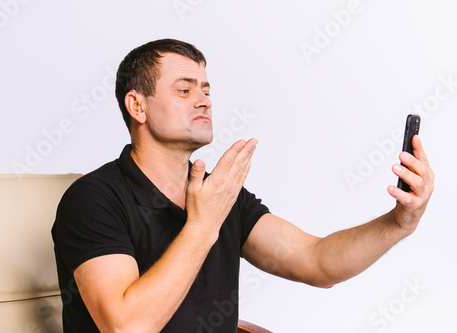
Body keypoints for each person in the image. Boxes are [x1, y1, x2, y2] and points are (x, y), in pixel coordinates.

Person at [51, 38, 434, 332]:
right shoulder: (92, 200)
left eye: (206, 90)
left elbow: (318, 261)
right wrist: (202, 226)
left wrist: (399, 222)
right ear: (137, 106)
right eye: (185, 90)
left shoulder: (218, 194)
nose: (203, 100)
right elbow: (126, 326)